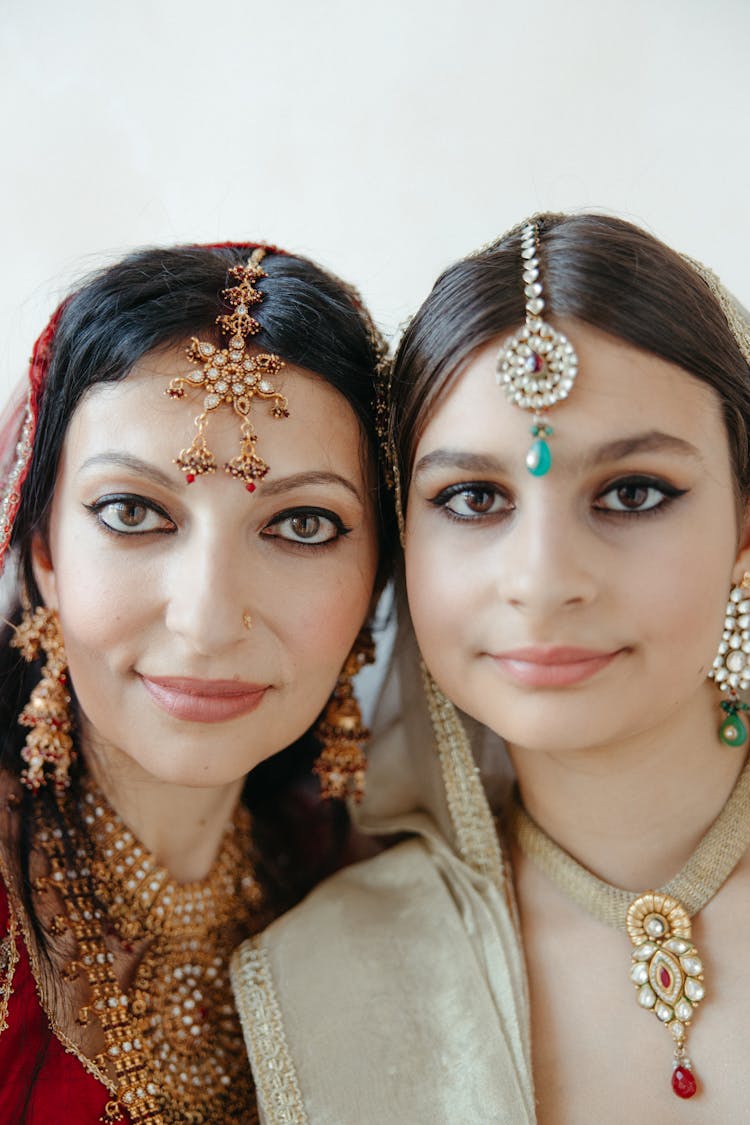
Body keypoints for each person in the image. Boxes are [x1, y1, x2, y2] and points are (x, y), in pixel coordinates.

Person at [232, 214, 750, 1123]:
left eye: (632, 492)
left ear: (746, 531)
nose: (543, 582)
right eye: (473, 498)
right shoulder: (332, 968)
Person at [0, 240, 392, 1124]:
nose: (208, 620)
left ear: (378, 578)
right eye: (134, 512)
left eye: (300, 522)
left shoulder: (363, 896)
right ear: (45, 551)